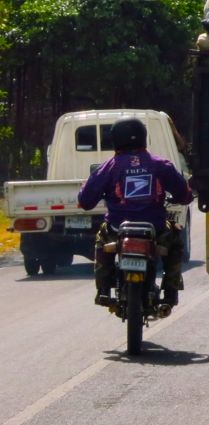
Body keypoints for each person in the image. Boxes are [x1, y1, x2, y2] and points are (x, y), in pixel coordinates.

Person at [78, 117, 193, 307]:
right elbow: (184, 195)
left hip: (117, 229)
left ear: (114, 140)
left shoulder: (109, 167)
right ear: (143, 138)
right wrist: (186, 196)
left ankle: (103, 290)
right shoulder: (160, 164)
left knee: (101, 241)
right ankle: (171, 291)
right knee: (176, 244)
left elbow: (85, 202)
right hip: (155, 229)